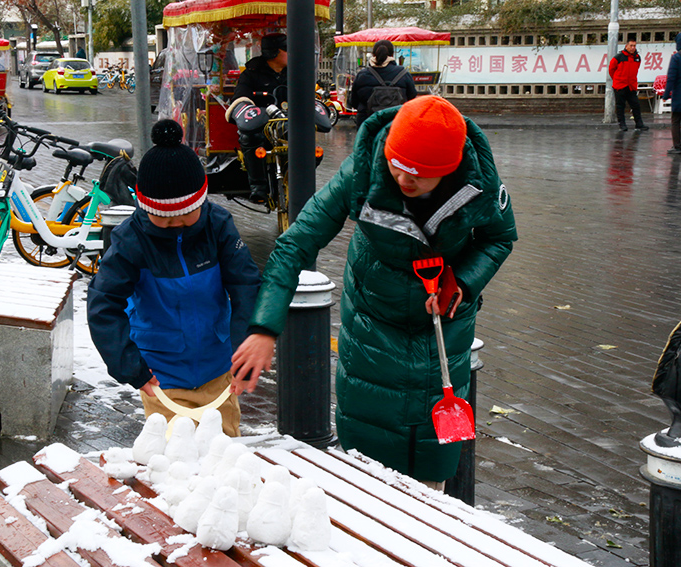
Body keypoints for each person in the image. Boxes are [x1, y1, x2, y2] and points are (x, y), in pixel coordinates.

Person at [230, 96, 517, 486]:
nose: (402, 179)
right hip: (372, 325)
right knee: (369, 463)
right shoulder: (363, 170)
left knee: (432, 471)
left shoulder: (480, 182)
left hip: (443, 328)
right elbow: (295, 243)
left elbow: (499, 238)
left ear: (448, 170)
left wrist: (462, 281)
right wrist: (265, 327)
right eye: (397, 164)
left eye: (417, 174)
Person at [87, 119, 261, 437]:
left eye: (186, 214)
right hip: (161, 375)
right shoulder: (131, 240)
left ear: (201, 201)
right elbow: (103, 302)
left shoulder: (218, 225)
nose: (177, 223)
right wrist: (131, 367)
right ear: (146, 207)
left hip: (219, 369)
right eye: (164, 217)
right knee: (175, 458)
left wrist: (242, 352)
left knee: (222, 452)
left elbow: (246, 286)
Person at [231, 33, 288, 204]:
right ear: (274, 53)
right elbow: (240, 98)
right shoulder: (251, 74)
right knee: (249, 136)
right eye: (287, 49)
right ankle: (258, 188)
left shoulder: (296, 71)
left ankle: (299, 180)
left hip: (287, 124)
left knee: (309, 143)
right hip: (261, 127)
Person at [350, 39, 416, 128]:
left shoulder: (362, 75)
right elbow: (412, 99)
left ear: (374, 55)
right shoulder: (403, 74)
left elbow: (353, 102)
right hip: (395, 125)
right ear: (392, 55)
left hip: (368, 126)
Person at [608, 39, 649, 132]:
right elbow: (611, 70)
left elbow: (636, 69)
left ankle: (639, 124)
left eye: (634, 46)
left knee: (636, 105)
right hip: (620, 85)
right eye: (631, 45)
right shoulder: (618, 57)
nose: (633, 48)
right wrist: (617, 79)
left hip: (631, 85)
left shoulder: (637, 57)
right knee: (620, 106)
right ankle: (622, 124)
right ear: (626, 46)